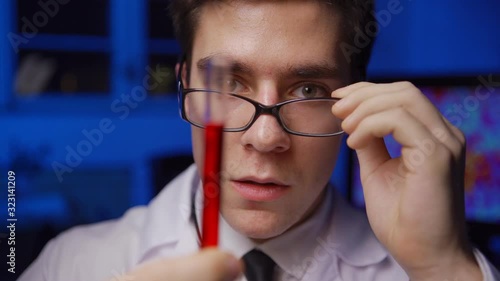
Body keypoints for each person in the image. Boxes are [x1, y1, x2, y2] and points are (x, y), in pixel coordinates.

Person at [19, 1, 499, 280]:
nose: (266, 137)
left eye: (309, 89)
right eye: (230, 83)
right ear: (185, 87)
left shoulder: (422, 272)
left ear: (357, 99)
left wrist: (443, 266)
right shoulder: (73, 265)